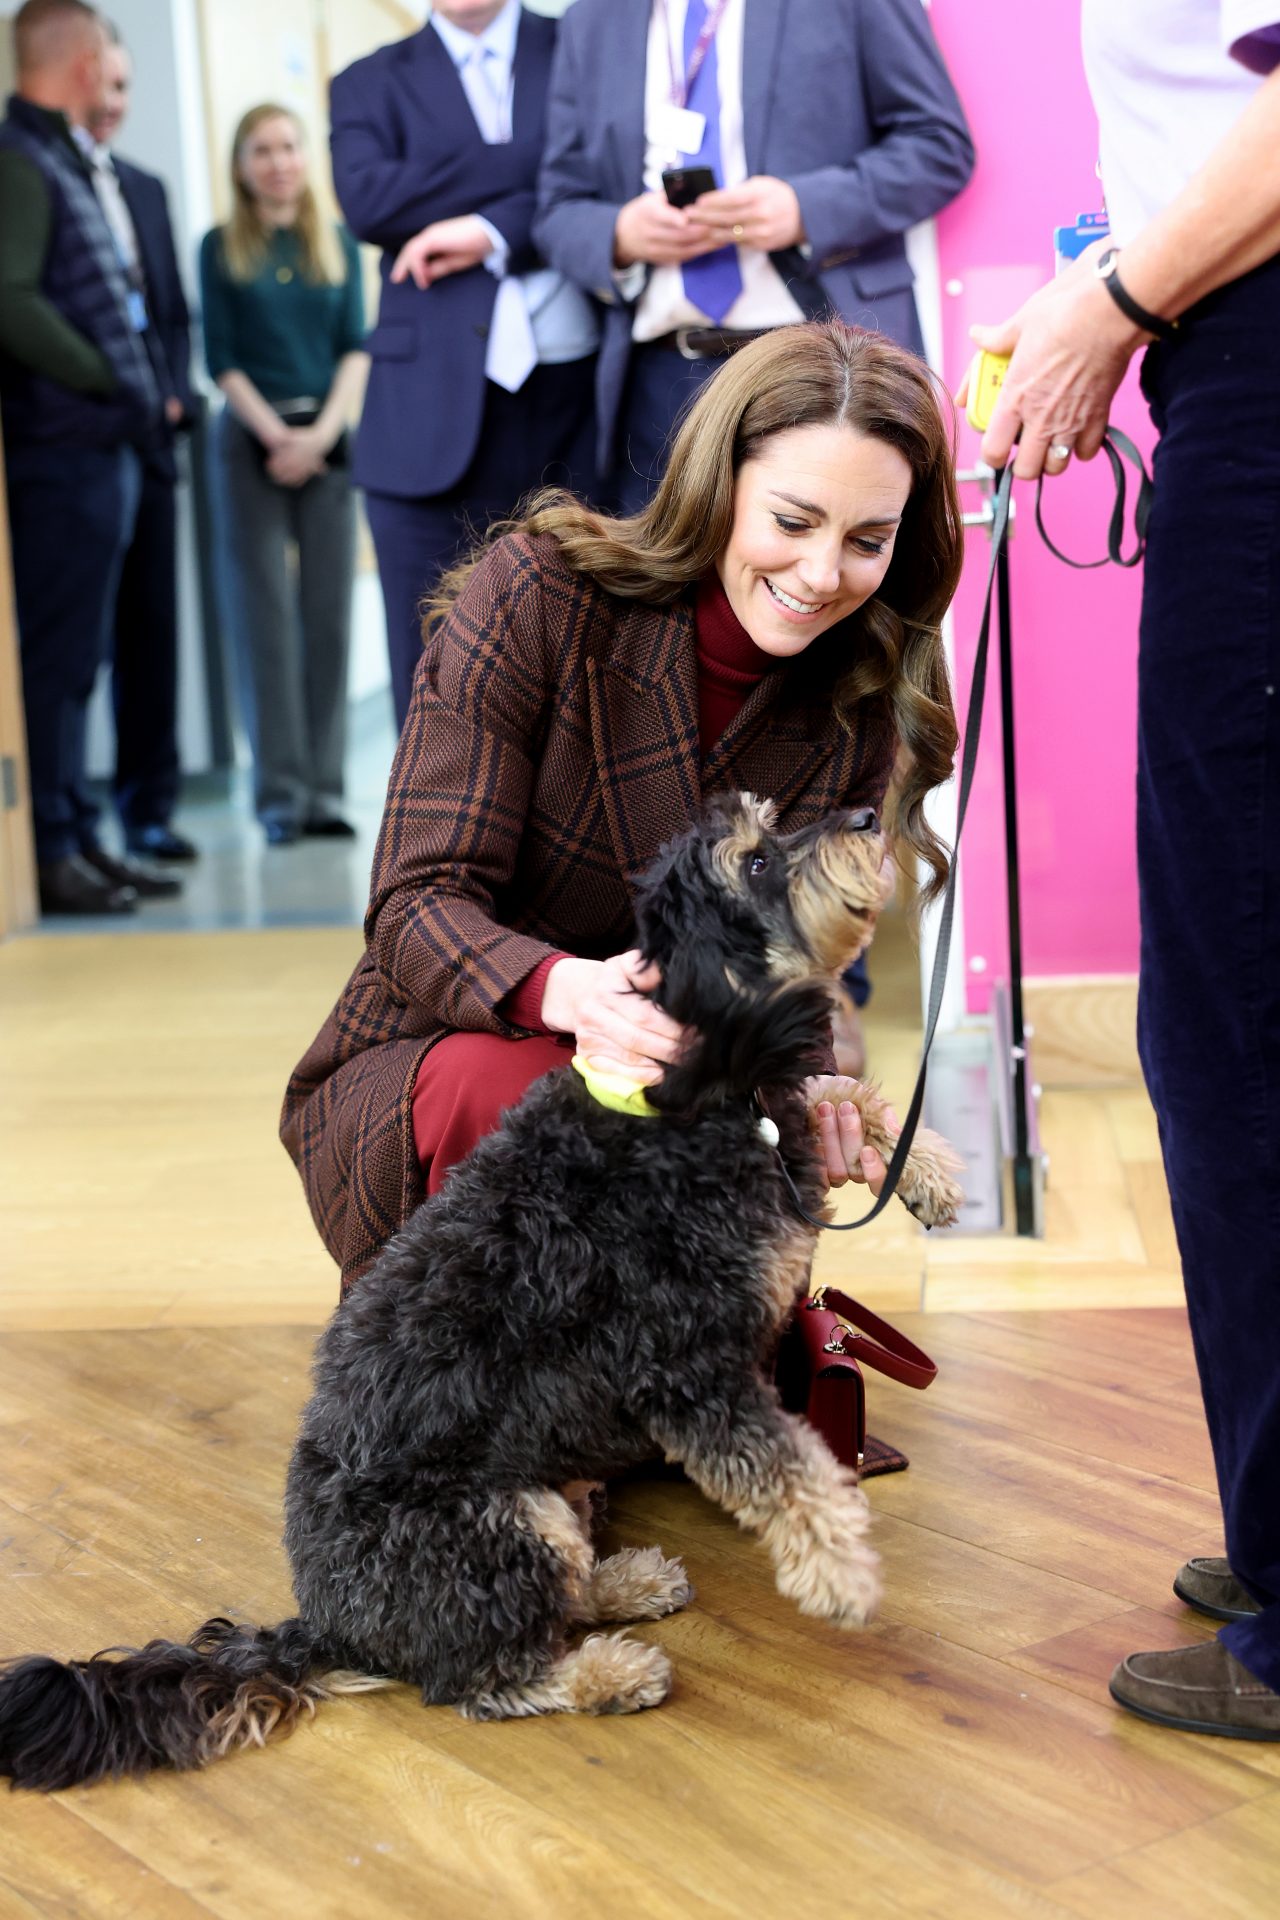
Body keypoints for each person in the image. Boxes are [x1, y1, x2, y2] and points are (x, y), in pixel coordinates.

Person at [281, 320, 962, 1295]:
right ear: (714, 481)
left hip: (680, 1090)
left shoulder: (857, 695)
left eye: (866, 541)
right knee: (531, 1104)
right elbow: (414, 905)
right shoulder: (538, 594)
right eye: (791, 520)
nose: (821, 575)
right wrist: (573, 994)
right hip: (450, 1049)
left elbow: (783, 977)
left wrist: (807, 1088)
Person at [964, 3, 1280, 1737]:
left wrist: (1120, 305)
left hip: (1254, 354)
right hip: (1222, 342)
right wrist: (1103, 285)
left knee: (1241, 1025)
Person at [533, 0, 974, 514]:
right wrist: (621, 234)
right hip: (662, 382)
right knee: (661, 591)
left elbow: (939, 145)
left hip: (826, 362)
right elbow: (557, 208)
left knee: (835, 580)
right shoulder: (593, 17)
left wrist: (803, 209)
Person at [330, 0, 599, 731]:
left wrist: (487, 229)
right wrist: (537, 174)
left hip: (582, 410)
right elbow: (367, 200)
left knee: (584, 678)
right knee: (433, 685)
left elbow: (610, 175)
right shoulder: (366, 82)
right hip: (424, 429)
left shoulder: (583, 39)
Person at [0, 0, 180, 915]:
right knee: (63, 664)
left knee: (89, 663)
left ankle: (83, 833)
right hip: (63, 452)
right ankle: (55, 846)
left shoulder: (61, 158)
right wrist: (108, 376)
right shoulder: (21, 162)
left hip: (100, 449)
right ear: (79, 67)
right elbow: (13, 299)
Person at [200, 104, 367, 847]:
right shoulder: (221, 247)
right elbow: (221, 358)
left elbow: (355, 348)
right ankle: (278, 797)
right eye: (260, 149)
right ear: (241, 165)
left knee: (327, 614)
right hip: (249, 441)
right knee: (263, 619)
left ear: (306, 158)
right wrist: (277, 436)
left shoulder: (333, 244)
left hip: (328, 438)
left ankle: (324, 791)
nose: (277, 161)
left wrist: (322, 434)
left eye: (288, 146)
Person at [87, 24, 199, 864]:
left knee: (152, 631)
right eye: (104, 85)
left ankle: (150, 810)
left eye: (127, 89)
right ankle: (75, 828)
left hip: (155, 441)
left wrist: (174, 397)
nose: (114, 105)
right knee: (86, 637)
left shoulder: (148, 190)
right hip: (84, 440)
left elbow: (170, 317)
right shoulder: (41, 180)